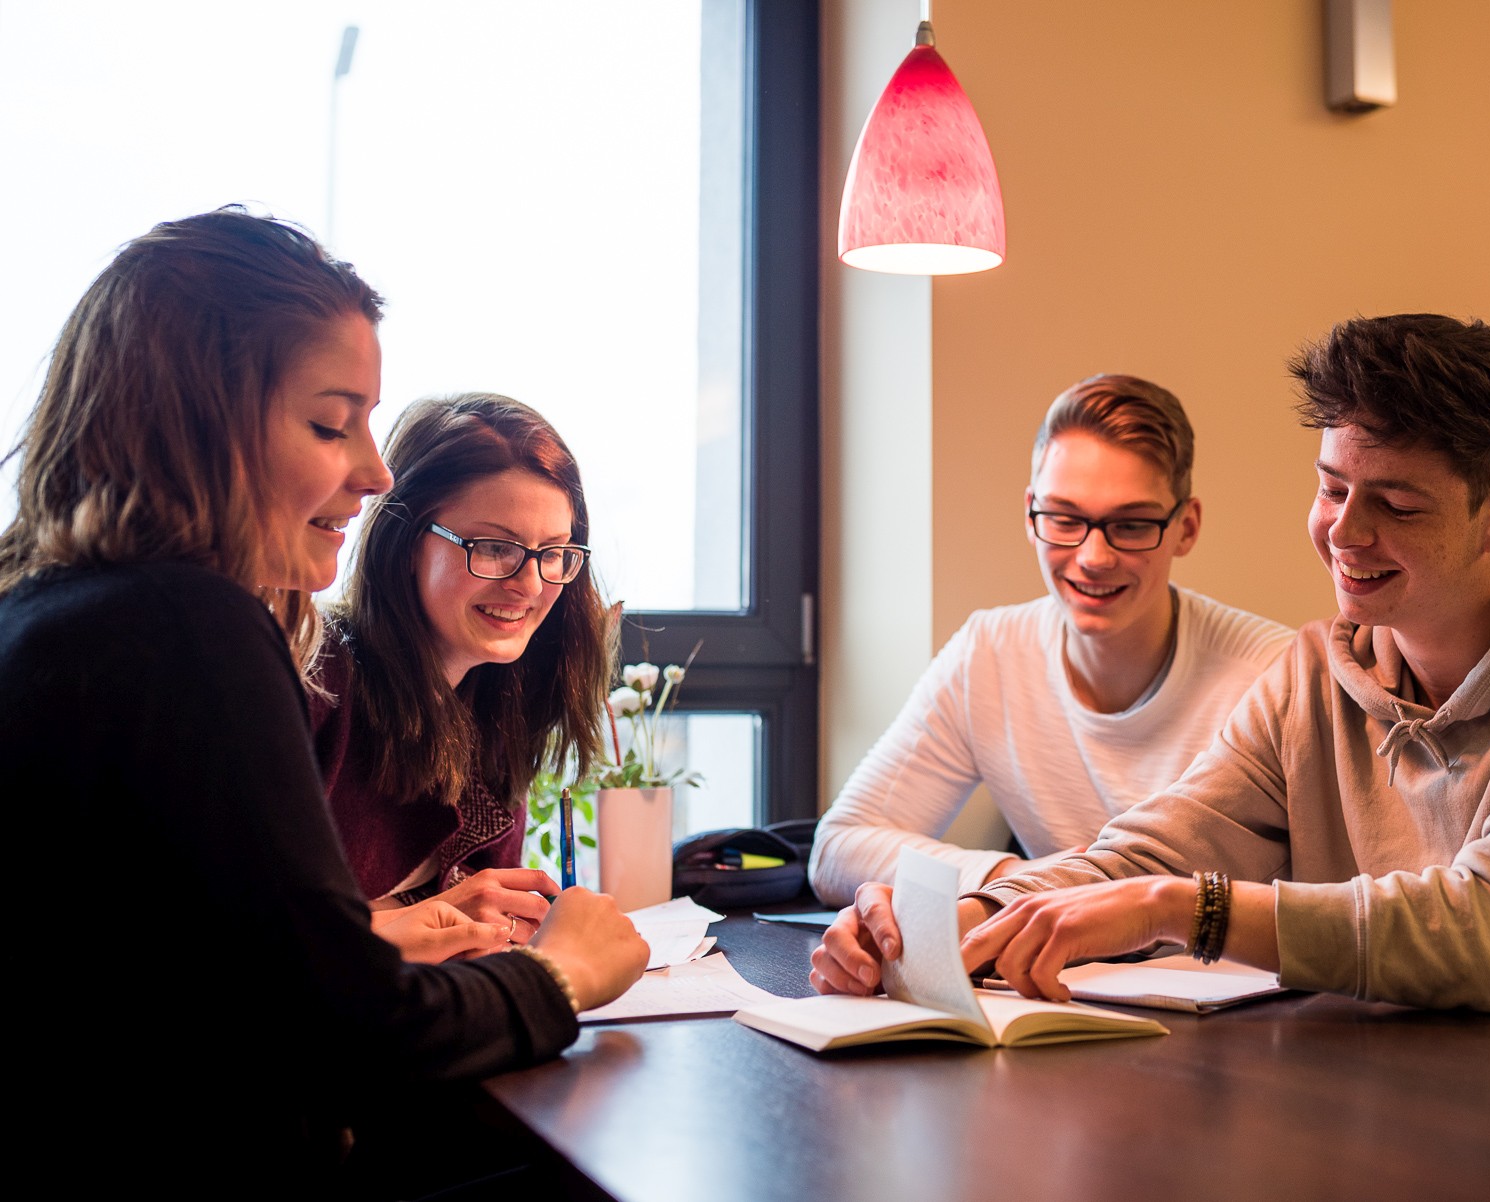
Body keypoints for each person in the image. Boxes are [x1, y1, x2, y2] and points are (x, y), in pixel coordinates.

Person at [812, 314, 1490, 1030]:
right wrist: (968, 914)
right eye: (1332, 487)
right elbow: (1149, 854)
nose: (1344, 533)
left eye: (1395, 505)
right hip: (1408, 1107)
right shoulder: (1314, 674)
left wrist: (1191, 909)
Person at [0, 208, 650, 1191]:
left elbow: (226, 981)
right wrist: (560, 975)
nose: (374, 472)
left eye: (554, 554)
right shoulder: (190, 624)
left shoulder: (52, 611)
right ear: (200, 422)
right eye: (327, 424)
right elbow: (344, 1030)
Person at [809, 374, 1293, 906]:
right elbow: (836, 849)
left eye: (1132, 525)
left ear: (1187, 527)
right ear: (1030, 513)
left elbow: (1341, 901)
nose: (1094, 557)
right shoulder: (990, 655)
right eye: (1063, 518)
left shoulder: (1274, 674)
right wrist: (1019, 878)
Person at [312, 392, 614, 962]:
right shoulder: (316, 680)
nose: (529, 585)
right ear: (405, 542)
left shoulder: (500, 704)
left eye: (553, 553)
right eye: (495, 547)